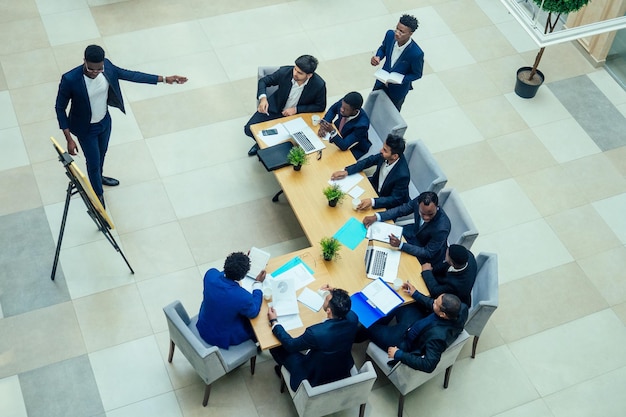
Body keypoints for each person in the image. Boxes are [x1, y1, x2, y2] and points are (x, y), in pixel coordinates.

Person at [55, 44, 187, 207]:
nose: (96, 73)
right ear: (84, 62)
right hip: (85, 129)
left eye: (99, 69)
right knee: (93, 162)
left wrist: (165, 79)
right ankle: (98, 197)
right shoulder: (70, 79)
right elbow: (60, 108)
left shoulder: (107, 67)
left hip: (104, 122)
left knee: (102, 154)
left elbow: (131, 75)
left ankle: (99, 178)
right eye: (91, 69)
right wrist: (68, 138)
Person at [268, 286, 359, 391]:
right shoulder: (353, 318)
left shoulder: (316, 333)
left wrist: (274, 322)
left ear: (328, 310)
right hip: (341, 366)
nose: (325, 298)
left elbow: (291, 345)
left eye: (326, 298)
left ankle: (284, 371)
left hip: (314, 375)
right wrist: (333, 292)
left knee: (276, 347)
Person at [244, 55, 327, 156]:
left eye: (299, 73)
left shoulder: (319, 85)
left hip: (295, 117)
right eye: (295, 69)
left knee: (298, 142)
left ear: (309, 75)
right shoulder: (285, 72)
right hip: (275, 108)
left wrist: (297, 109)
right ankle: (261, 144)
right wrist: (263, 98)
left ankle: (273, 148)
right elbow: (263, 81)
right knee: (249, 128)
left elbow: (320, 106)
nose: (295, 73)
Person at [365, 291, 467, 372]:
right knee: (399, 301)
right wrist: (415, 294)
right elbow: (432, 304)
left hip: (404, 342)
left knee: (368, 327)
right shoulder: (462, 308)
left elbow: (429, 365)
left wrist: (399, 354)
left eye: (436, 303)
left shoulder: (437, 338)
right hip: (416, 323)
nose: (434, 301)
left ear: (443, 315)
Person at [196, 252, 266, 349]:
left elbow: (221, 274)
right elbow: (253, 312)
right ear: (242, 276)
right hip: (221, 337)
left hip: (204, 324)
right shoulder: (242, 296)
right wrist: (258, 284)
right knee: (257, 325)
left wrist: (239, 262)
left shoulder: (210, 274)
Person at [363, 191, 450, 265]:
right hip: (413, 233)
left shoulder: (442, 228)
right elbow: (401, 210)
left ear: (437, 207)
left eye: (430, 214)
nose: (426, 217)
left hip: (424, 251)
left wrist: (401, 245)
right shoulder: (419, 201)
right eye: (422, 213)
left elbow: (428, 252)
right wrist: (377, 217)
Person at [331, 133, 409, 210]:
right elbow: (368, 161)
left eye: (385, 150)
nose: (381, 150)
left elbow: (394, 199)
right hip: (373, 188)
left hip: (385, 203)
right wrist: (347, 171)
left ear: (395, 156)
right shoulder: (385, 155)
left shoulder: (403, 175)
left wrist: (372, 201)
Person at [371, 14, 424, 111]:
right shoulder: (390, 35)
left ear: (410, 34)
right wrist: (378, 56)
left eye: (402, 32)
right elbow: (383, 48)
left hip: (397, 91)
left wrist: (400, 79)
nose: (397, 33)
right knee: (372, 107)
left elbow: (417, 74)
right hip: (381, 82)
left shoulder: (416, 53)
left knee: (390, 115)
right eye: (397, 29)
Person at [317, 91, 371, 159]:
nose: (341, 109)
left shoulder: (362, 125)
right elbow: (332, 110)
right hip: (339, 132)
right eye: (342, 106)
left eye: (346, 109)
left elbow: (344, 145)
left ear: (355, 111)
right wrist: (324, 124)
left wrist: (332, 131)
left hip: (353, 147)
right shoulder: (345, 103)